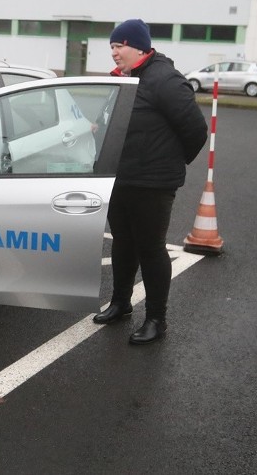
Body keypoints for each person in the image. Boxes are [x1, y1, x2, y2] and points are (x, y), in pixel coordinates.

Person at [94, 18, 208, 344]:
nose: (114, 52)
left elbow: (195, 131)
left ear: (138, 46)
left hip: (153, 184)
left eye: (120, 45)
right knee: (122, 244)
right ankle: (120, 304)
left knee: (151, 250)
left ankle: (157, 319)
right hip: (120, 179)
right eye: (112, 46)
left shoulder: (164, 79)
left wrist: (166, 164)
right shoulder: (122, 79)